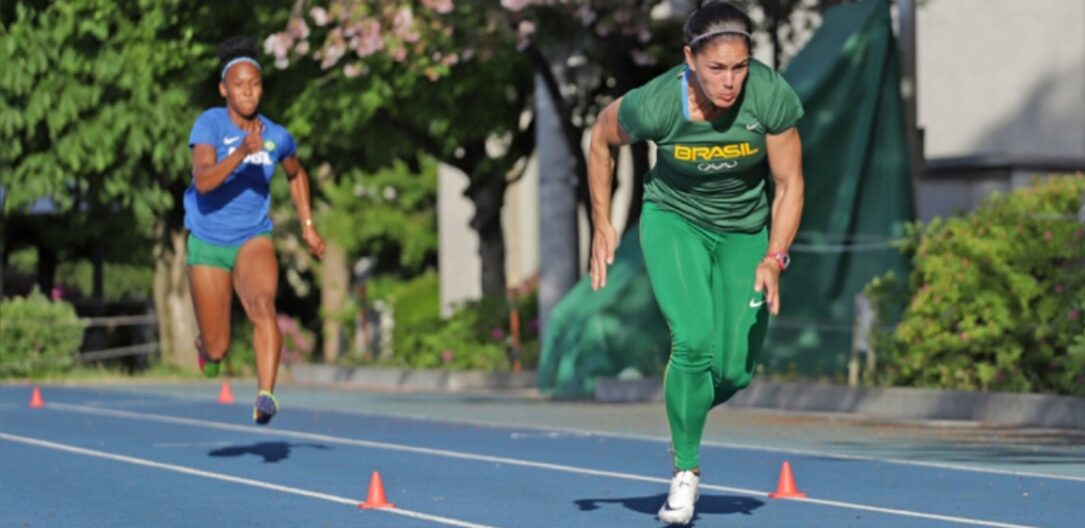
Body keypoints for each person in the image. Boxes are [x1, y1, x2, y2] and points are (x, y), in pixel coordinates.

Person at [587, 1, 804, 524]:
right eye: (716, 69)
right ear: (690, 59)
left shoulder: (769, 96)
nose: (729, 82)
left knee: (733, 371)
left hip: (745, 231)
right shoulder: (659, 102)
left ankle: (684, 408)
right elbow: (600, 136)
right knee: (692, 341)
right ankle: (685, 473)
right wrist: (602, 221)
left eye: (739, 67)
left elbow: (789, 184)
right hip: (675, 222)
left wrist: (775, 257)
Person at [184, 36, 325, 426]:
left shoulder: (276, 135)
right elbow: (205, 180)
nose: (248, 91)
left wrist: (308, 226)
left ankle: (266, 395)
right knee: (218, 348)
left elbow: (296, 174)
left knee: (263, 305)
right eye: (239, 85)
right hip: (208, 241)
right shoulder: (209, 124)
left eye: (255, 84)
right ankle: (205, 348)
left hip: (252, 237)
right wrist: (243, 153)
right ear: (224, 89)